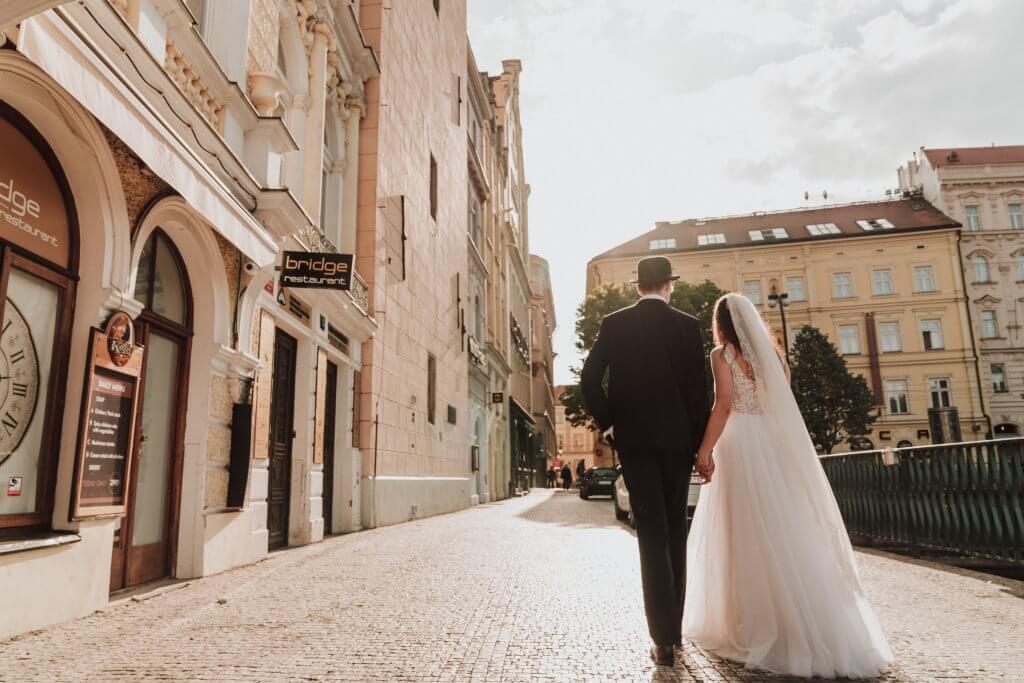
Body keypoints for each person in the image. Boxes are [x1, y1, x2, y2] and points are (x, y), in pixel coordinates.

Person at [683, 293, 893, 678]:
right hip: (774, 446)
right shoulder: (776, 357)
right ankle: (808, 619)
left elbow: (725, 404)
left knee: (744, 532)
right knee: (787, 527)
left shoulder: (721, 354)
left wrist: (704, 450)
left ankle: (750, 622)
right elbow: (780, 403)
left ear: (722, 324)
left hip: (741, 446)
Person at [580, 256, 709, 666]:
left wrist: (610, 423)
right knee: (675, 530)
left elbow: (589, 378)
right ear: (668, 287)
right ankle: (676, 626)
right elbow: (698, 392)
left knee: (650, 533)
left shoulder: (615, 324)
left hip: (634, 443)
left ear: (638, 287)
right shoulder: (688, 326)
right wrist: (698, 442)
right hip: (677, 444)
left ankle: (663, 640)